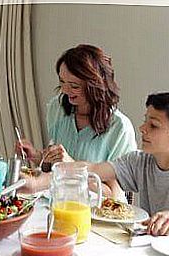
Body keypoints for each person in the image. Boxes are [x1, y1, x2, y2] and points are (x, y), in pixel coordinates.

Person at [88, 92, 169, 242]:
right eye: (145, 121)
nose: (142, 128)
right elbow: (93, 170)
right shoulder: (139, 161)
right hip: (151, 252)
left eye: (154, 125)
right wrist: (61, 171)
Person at [17, 44, 137, 198]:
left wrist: (72, 167)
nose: (65, 91)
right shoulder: (57, 109)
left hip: (95, 213)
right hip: (58, 202)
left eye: (74, 86)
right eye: (62, 82)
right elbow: (52, 169)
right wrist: (36, 156)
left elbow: (114, 196)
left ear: (95, 85)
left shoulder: (120, 128)